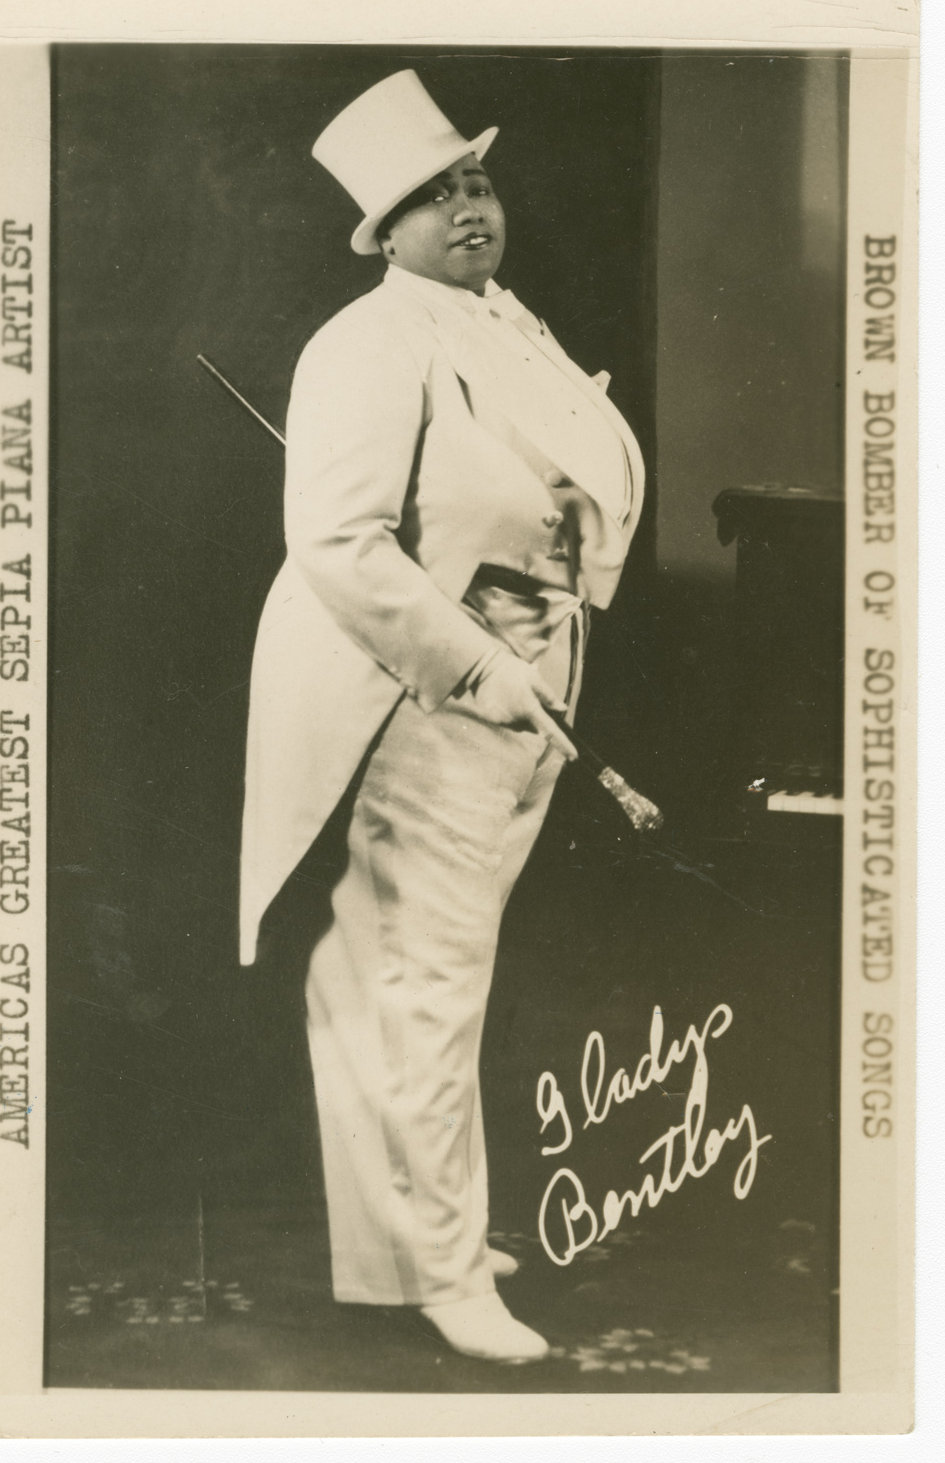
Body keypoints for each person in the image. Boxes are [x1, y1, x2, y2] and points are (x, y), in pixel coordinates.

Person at [239, 70, 645, 1362]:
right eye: (432, 194)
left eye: (473, 180)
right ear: (384, 228)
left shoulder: (494, 319)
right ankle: (436, 1267)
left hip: (523, 681)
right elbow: (340, 545)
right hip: (411, 694)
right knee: (412, 975)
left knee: (433, 973)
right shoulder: (365, 343)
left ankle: (426, 1236)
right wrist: (477, 669)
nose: (467, 206)